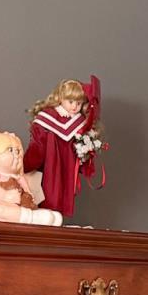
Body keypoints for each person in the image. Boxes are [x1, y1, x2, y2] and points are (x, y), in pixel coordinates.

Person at [25, 75, 104, 217]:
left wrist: (86, 152)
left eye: (78, 103)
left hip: (64, 173)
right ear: (60, 98)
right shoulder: (47, 119)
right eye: (71, 101)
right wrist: (26, 166)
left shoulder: (80, 124)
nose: (74, 107)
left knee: (55, 206)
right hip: (49, 171)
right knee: (47, 202)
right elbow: (37, 151)